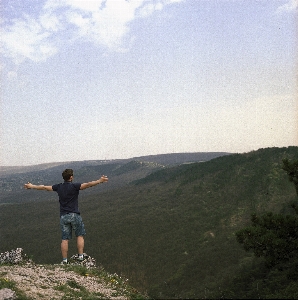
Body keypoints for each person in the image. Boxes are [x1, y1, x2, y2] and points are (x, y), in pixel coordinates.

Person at [24, 168, 108, 264]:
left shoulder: (59, 187)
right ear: (71, 177)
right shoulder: (74, 186)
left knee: (65, 239)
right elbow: (88, 185)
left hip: (63, 216)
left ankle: (64, 260)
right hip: (74, 214)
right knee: (79, 235)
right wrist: (100, 181)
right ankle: (80, 256)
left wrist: (31, 186)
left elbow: (45, 188)